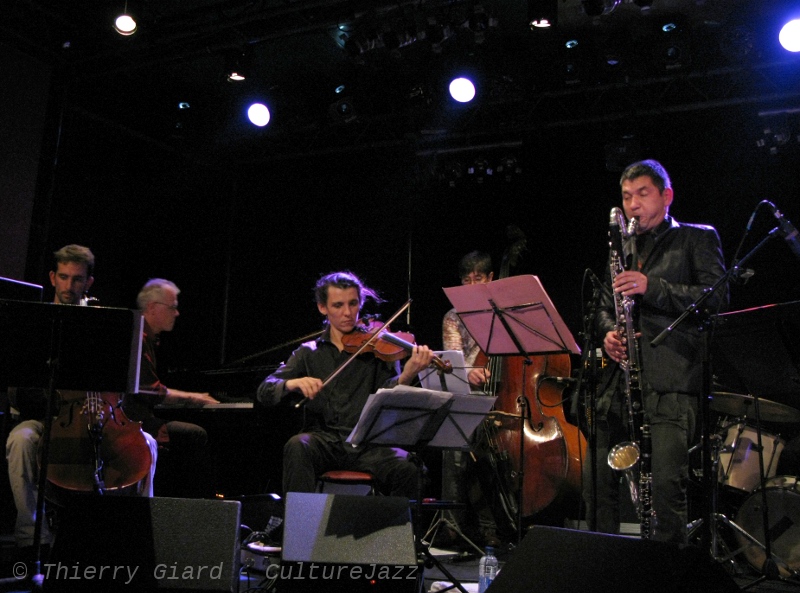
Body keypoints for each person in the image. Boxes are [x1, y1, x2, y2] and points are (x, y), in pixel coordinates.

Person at [584, 160, 727, 545]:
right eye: (627, 196)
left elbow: (716, 300)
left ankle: (665, 576)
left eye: (642, 194)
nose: (633, 205)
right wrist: (607, 334)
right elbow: (600, 305)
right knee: (597, 487)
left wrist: (653, 287)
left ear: (666, 196)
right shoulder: (623, 247)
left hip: (671, 384)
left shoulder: (697, 239)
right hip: (619, 385)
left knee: (666, 490)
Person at [4, 245, 158, 557]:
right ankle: (33, 539)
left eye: (77, 279)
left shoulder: (103, 324)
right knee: (20, 440)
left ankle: (138, 533)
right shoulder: (36, 324)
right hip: (50, 415)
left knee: (149, 445)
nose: (69, 286)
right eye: (63, 277)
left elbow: (123, 384)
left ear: (88, 283)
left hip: (100, 413)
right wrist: (59, 399)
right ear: (52, 277)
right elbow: (21, 389)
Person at [256, 271, 435, 497]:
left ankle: (389, 530)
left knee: (409, 468)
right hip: (325, 441)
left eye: (353, 303)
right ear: (323, 308)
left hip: (367, 445)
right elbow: (265, 390)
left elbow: (388, 396)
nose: (348, 313)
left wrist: (406, 376)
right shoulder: (308, 353)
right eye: (338, 305)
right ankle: (300, 529)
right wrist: (293, 383)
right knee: (297, 445)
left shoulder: (378, 346)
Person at [122, 278, 218, 498]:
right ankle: (196, 506)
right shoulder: (138, 336)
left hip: (140, 418)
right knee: (196, 435)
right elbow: (149, 391)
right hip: (132, 423)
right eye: (173, 307)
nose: (177, 313)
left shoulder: (148, 337)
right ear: (153, 308)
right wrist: (193, 398)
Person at [440, 251, 505, 548]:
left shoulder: (505, 312)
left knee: (493, 461)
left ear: (491, 278)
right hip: (468, 393)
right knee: (454, 450)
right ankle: (451, 526)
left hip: (503, 396)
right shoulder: (453, 317)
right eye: (466, 280)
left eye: (477, 279)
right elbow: (452, 361)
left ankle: (494, 527)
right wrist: (469, 372)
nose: (471, 285)